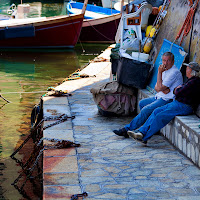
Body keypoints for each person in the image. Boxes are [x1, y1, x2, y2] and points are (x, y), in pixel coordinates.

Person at [113, 52, 183, 138]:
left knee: (146, 109)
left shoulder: (174, 72)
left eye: (168, 61)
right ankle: (149, 127)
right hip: (160, 96)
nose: (165, 63)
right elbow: (156, 88)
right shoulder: (164, 70)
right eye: (164, 60)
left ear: (173, 61)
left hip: (167, 100)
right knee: (142, 103)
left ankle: (127, 129)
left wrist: (160, 77)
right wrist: (162, 87)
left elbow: (160, 87)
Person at [128, 62, 200, 145]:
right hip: (178, 103)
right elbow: (178, 91)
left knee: (160, 116)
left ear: (191, 71)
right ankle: (141, 132)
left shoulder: (194, 82)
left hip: (184, 106)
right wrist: (177, 89)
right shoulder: (190, 81)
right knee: (156, 111)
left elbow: (178, 92)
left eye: (187, 68)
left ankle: (144, 137)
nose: (186, 70)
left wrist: (176, 89)